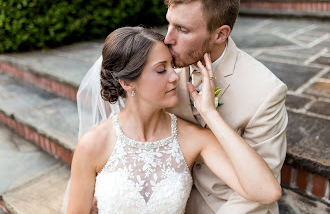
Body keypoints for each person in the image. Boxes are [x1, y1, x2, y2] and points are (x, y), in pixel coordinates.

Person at [67, 26, 281, 214]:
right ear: (127, 83)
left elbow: (266, 191)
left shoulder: (194, 138)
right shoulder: (93, 144)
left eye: (173, 66)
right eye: (161, 70)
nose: (175, 76)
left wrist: (210, 114)